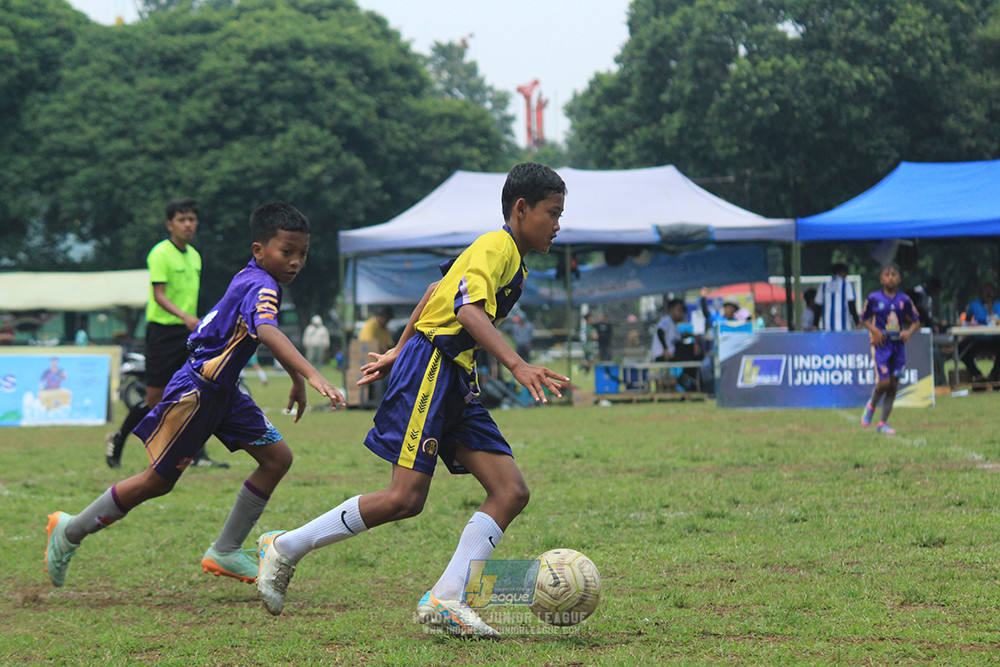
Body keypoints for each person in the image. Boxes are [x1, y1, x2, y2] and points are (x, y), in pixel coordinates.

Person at [254, 162, 569, 638]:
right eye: (552, 213)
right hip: (434, 368)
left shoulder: (511, 257)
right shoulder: (495, 246)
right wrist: (516, 364)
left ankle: (446, 599)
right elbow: (464, 310)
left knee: (510, 491)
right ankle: (286, 546)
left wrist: (398, 348)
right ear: (522, 209)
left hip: (454, 375)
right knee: (405, 498)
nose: (558, 225)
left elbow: (433, 291)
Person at [44, 202, 346, 589]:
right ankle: (69, 530)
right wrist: (311, 373)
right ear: (259, 250)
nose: (296, 262)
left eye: (302, 253)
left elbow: (257, 332)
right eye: (286, 252)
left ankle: (225, 549)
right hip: (198, 393)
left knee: (276, 459)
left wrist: (296, 380)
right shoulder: (262, 285)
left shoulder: (255, 278)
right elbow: (268, 331)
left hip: (226, 393)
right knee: (157, 481)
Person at [104, 198, 225, 470]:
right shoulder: (160, 253)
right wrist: (185, 317)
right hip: (162, 333)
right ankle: (118, 439)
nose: (188, 225)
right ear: (170, 224)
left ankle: (198, 455)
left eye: (192, 219)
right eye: (182, 220)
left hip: (188, 334)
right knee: (153, 401)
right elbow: (159, 296)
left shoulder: (194, 255)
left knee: (196, 393)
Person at [860, 264, 920, 435]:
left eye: (894, 274)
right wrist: (874, 330)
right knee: (884, 383)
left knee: (893, 386)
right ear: (881, 279)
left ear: (899, 278)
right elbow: (863, 318)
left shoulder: (904, 300)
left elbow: (916, 320)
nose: (891, 277)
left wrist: (909, 332)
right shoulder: (873, 298)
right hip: (881, 345)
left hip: (898, 346)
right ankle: (871, 405)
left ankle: (882, 423)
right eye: (887, 274)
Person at [651, 298, 702, 390]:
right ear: (671, 310)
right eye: (679, 310)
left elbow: (676, 340)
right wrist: (665, 349)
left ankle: (687, 380)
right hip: (663, 355)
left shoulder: (674, 324)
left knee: (695, 353)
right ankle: (685, 381)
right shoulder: (666, 320)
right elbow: (660, 332)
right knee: (691, 357)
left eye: (682, 310)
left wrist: (690, 337)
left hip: (673, 353)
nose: (681, 312)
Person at [960, 281, 1000, 382]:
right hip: (978, 338)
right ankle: (978, 375)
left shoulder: (998, 306)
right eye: (985, 291)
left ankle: (994, 375)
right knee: (961, 349)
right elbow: (967, 321)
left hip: (994, 338)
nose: (987, 294)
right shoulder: (974, 305)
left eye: (989, 292)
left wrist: (990, 307)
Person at [357, 306, 394, 406]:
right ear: (381, 317)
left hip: (383, 358)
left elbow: (390, 345)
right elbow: (371, 344)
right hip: (371, 358)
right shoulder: (371, 325)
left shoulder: (385, 329)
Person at [815, 263, 859, 332]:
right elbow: (851, 305)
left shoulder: (823, 285)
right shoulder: (846, 284)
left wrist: (815, 324)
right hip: (844, 328)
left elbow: (818, 306)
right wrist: (857, 322)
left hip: (827, 328)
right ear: (843, 273)